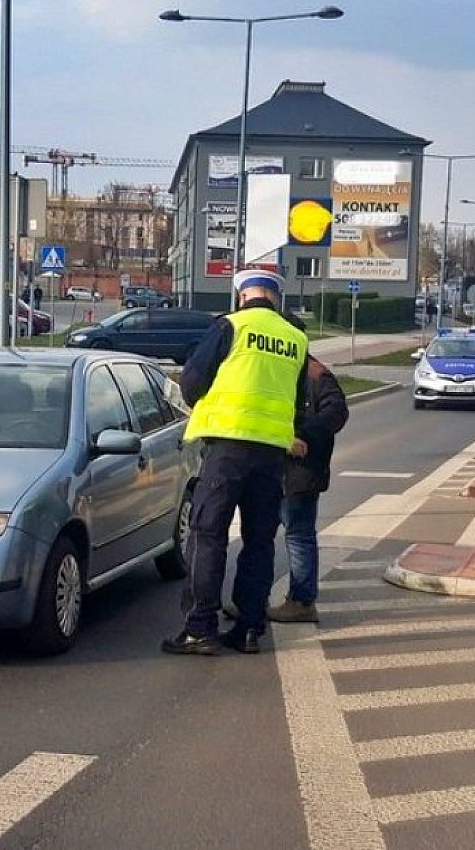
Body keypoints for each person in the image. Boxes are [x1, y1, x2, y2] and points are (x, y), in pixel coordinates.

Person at [162, 267, 309, 657]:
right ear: (276, 297)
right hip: (271, 453)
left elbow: (192, 382)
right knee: (260, 541)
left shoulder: (230, 327)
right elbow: (297, 399)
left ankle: (199, 628)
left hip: (227, 448)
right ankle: (248, 629)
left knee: (208, 534)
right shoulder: (295, 338)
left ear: (242, 294)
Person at [269, 349, 348, 624]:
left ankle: (302, 601)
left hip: (301, 471)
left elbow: (336, 411)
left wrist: (300, 435)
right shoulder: (277, 367)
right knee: (262, 535)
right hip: (273, 469)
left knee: (298, 535)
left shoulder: (314, 372)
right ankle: (252, 598)